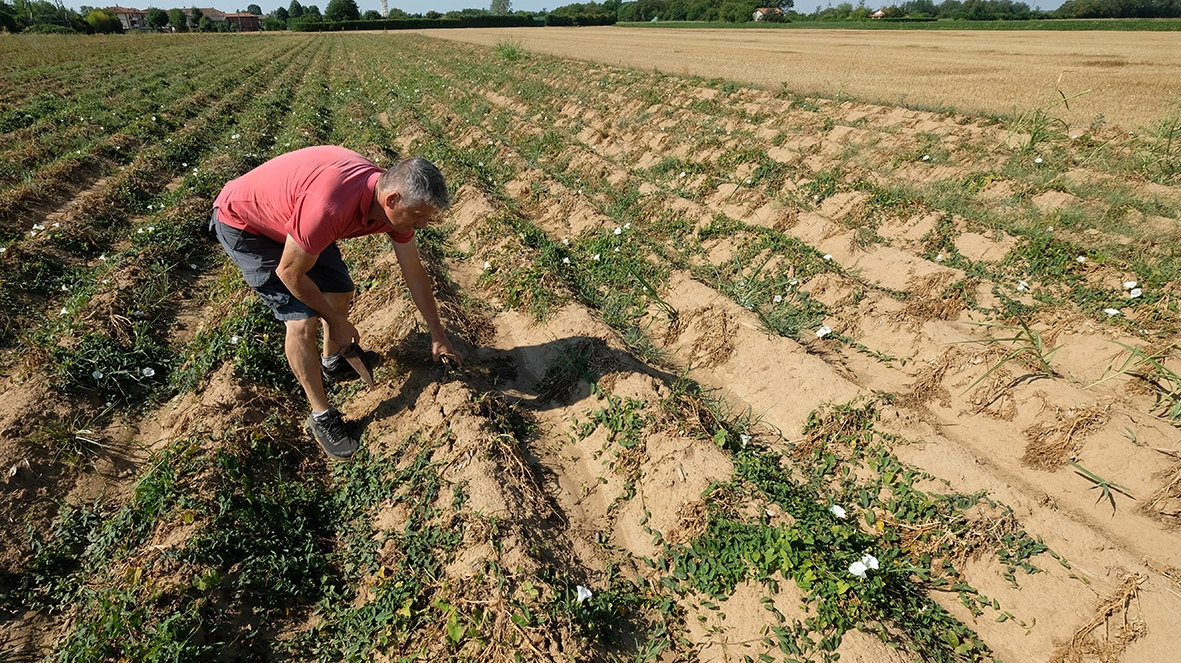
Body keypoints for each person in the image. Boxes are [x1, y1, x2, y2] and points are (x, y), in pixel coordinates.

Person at [211, 145, 462, 461]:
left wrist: (438, 334)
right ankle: (321, 416)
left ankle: (333, 361)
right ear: (393, 200)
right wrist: (336, 321)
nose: (422, 225)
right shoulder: (329, 206)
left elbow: (413, 272)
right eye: (419, 216)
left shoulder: (389, 209)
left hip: (297, 218)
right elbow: (289, 272)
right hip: (246, 224)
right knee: (302, 319)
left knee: (341, 291)